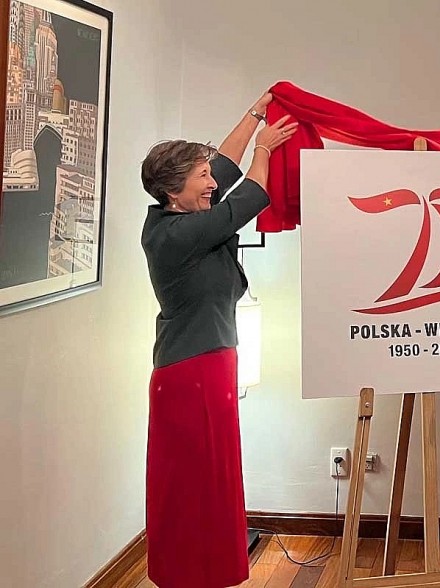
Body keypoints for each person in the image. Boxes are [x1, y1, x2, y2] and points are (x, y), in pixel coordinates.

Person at [140, 93, 298, 588]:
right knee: (192, 483)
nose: (212, 183)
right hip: (190, 373)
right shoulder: (175, 235)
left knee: (211, 479)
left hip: (208, 365)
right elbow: (247, 198)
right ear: (173, 189)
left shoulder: (183, 217)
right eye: (201, 177)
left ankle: (207, 573)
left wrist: (256, 113)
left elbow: (225, 168)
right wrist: (266, 149)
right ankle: (186, 574)